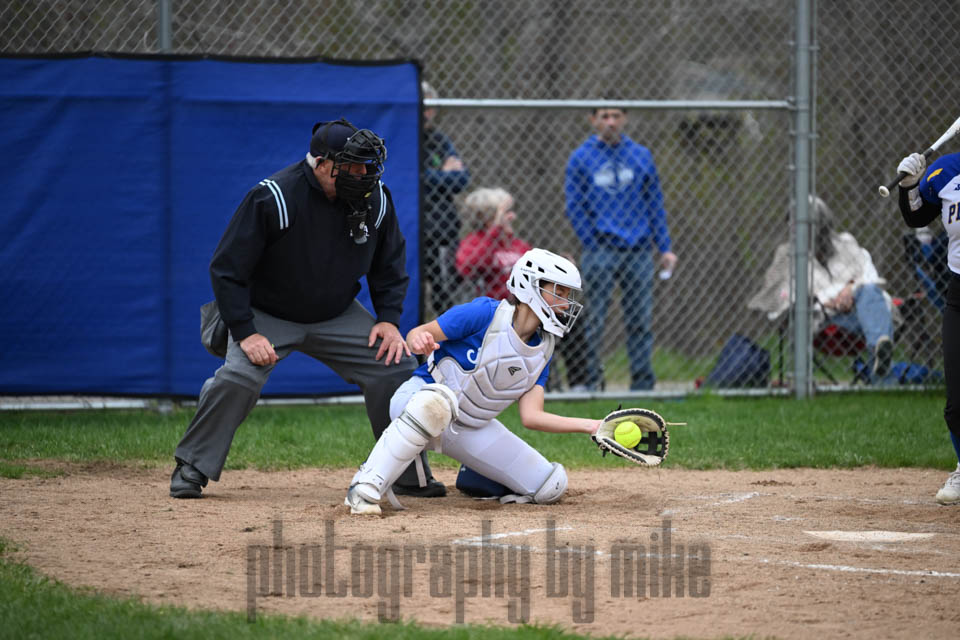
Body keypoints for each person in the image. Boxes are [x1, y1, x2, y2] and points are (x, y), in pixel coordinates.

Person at [170, 118, 445, 500]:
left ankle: (405, 472)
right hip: (267, 314)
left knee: (394, 366)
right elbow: (227, 269)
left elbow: (390, 265)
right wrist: (245, 332)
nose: (362, 174)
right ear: (321, 163)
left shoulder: (375, 200)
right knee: (237, 377)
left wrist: (387, 319)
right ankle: (192, 466)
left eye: (366, 166)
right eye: (351, 166)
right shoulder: (275, 197)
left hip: (336, 313)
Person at [343, 248, 600, 515]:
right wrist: (419, 341)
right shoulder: (484, 313)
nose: (566, 304)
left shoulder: (543, 350)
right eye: (559, 292)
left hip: (470, 427)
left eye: (568, 295)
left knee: (549, 486)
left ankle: (475, 475)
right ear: (530, 285)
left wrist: (592, 426)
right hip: (417, 402)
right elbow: (416, 334)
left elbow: (532, 416)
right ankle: (364, 487)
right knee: (434, 405)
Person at [564, 107, 678, 391]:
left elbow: (655, 203)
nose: (611, 122)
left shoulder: (641, 155)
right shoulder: (581, 158)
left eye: (616, 116)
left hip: (638, 250)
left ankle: (642, 383)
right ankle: (592, 381)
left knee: (640, 320)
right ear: (593, 120)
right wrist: (591, 241)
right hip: (600, 250)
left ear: (624, 118)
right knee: (594, 321)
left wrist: (664, 247)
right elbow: (574, 205)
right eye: (604, 116)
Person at [747, 196, 898, 383]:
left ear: (820, 225)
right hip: (825, 320)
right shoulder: (787, 255)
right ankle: (881, 365)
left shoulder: (846, 244)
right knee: (877, 320)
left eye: (799, 222)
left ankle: (879, 351)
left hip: (863, 308)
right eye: (791, 222)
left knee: (869, 292)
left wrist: (851, 289)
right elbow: (781, 296)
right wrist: (827, 299)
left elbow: (871, 277)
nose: (792, 228)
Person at [896, 151, 960, 505]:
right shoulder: (947, 170)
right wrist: (909, 186)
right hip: (959, 295)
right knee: (957, 401)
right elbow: (916, 216)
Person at [422, 80, 471, 315]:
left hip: (443, 229)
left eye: (432, 107)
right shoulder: (404, 137)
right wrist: (442, 173)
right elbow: (412, 177)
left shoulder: (439, 139)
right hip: (416, 227)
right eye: (424, 106)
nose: (428, 113)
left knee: (445, 293)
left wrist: (432, 176)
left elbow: (462, 179)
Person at [455, 187, 531, 300]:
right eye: (505, 213)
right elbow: (468, 267)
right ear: (489, 218)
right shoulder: (473, 242)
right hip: (491, 306)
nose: (512, 216)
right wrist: (495, 231)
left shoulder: (518, 245)